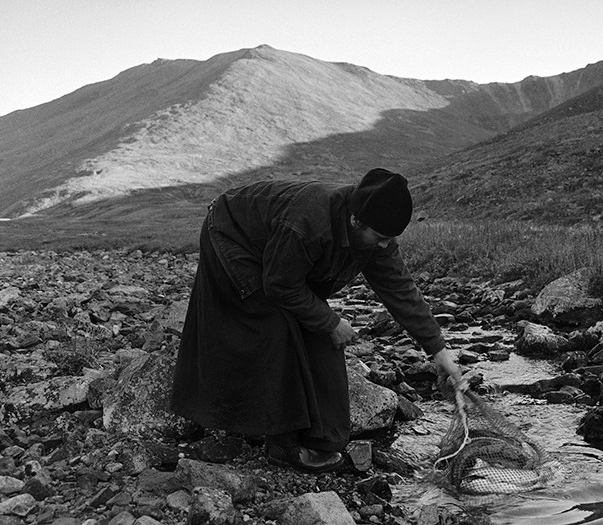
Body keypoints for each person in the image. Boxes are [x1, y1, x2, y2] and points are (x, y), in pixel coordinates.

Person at [170, 168, 462, 473]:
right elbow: (280, 285)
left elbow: (401, 290)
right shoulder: (308, 222)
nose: (384, 247)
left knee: (317, 330)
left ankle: (322, 438)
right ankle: (281, 444)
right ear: (355, 220)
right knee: (274, 325)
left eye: (391, 240)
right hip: (231, 233)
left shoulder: (376, 234)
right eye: (380, 238)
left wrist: (439, 351)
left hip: (278, 251)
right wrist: (330, 322)